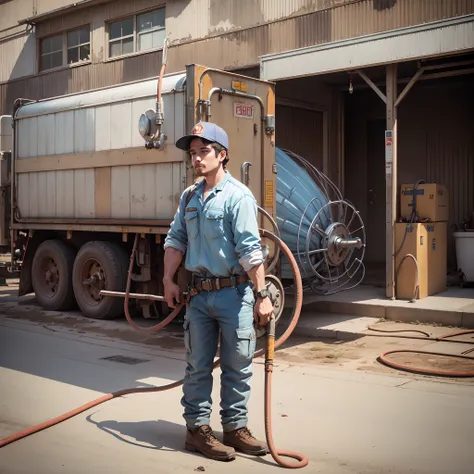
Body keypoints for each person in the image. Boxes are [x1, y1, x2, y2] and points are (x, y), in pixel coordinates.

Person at [162, 121, 274, 462]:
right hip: (198, 297)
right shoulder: (189, 197)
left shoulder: (239, 196)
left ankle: (235, 429)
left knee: (238, 365)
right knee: (197, 366)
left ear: (222, 155)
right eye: (193, 154)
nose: (197, 159)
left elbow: (250, 251)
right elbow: (175, 240)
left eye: (204, 152)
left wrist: (262, 293)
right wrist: (168, 279)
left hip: (234, 295)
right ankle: (197, 431)